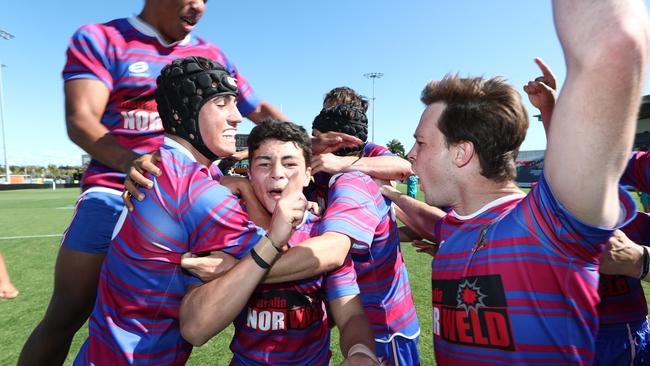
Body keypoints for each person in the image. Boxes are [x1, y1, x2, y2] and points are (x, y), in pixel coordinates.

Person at [19, 1, 291, 365]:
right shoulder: (103, 39)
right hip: (117, 190)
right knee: (66, 313)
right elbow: (81, 119)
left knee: (199, 304)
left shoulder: (210, 55)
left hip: (193, 190)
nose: (198, 6)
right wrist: (134, 163)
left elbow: (260, 111)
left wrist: (302, 153)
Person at [381, 0, 649, 363]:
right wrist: (385, 192)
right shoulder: (458, 227)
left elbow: (615, 46)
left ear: (461, 153)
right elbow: (432, 223)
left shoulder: (545, 225)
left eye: (421, 142)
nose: (410, 154)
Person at [71, 56, 306, 365]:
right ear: (184, 115)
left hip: (99, 351)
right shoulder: (200, 193)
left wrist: (239, 184)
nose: (238, 117)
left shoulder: (163, 164)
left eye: (234, 103)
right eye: (221, 104)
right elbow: (285, 254)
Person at [181, 120, 380, 365]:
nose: (277, 172)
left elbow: (350, 314)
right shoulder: (229, 231)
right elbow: (194, 328)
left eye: (290, 164)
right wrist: (273, 239)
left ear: (308, 174)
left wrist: (361, 352)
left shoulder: (322, 234)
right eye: (264, 164)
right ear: (250, 174)